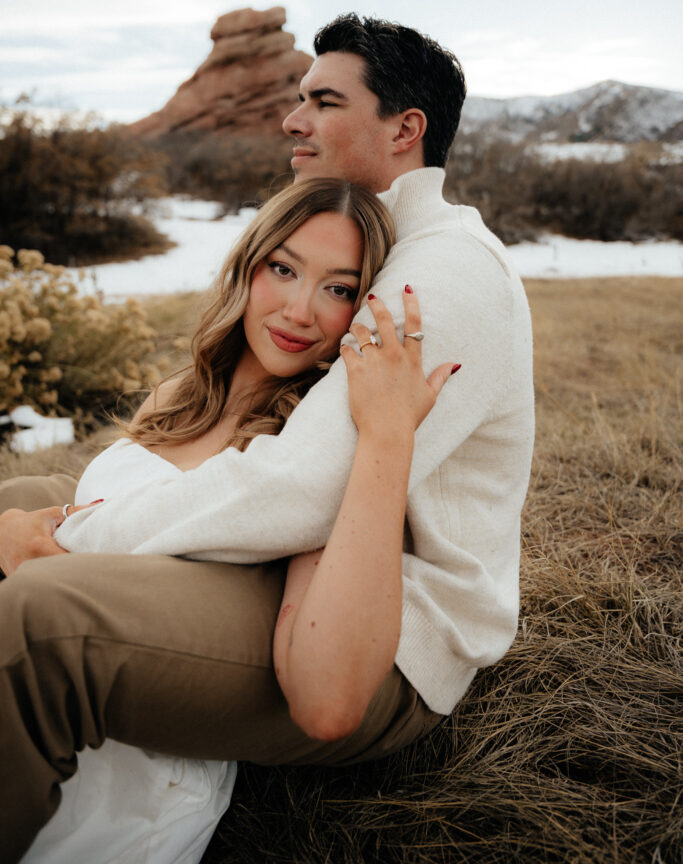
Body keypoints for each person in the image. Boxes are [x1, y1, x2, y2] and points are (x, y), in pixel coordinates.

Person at [0, 14, 535, 862]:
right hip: (300, 568)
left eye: (322, 102)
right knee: (16, 498)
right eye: (297, 101)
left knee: (38, 610)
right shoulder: (389, 242)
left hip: (377, 640)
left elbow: (302, 486)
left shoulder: (445, 272)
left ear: (404, 130)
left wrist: (66, 537)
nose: (292, 121)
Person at [18, 175, 447, 863]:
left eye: (337, 289)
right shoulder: (182, 397)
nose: (301, 311)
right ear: (248, 265)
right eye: (283, 268)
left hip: (125, 774)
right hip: (44, 694)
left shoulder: (304, 455)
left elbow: (330, 697)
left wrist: (387, 435)